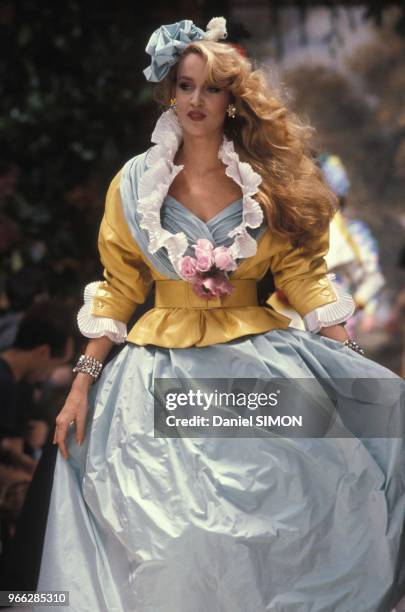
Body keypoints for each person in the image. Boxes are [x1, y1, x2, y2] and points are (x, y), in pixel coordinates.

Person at [37, 17, 404, 612]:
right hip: (158, 374)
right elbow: (119, 284)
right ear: (168, 92)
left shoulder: (268, 183)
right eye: (184, 86)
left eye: (210, 88)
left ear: (233, 98)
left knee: (280, 522)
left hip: (256, 367)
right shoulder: (134, 183)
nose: (195, 100)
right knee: (175, 534)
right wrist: (83, 381)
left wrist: (354, 365)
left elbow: (305, 279)